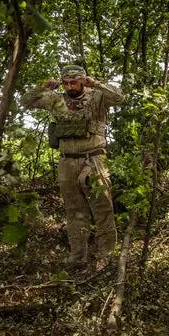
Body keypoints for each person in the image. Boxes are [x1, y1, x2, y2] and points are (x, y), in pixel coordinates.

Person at [21, 64, 124, 274]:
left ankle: (105, 255)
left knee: (102, 208)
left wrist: (96, 83)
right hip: (67, 161)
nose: (69, 87)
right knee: (74, 211)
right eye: (66, 83)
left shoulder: (97, 96)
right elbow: (25, 102)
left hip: (93, 159)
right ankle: (78, 257)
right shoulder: (56, 99)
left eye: (74, 82)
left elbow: (119, 98)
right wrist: (43, 87)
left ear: (82, 80)